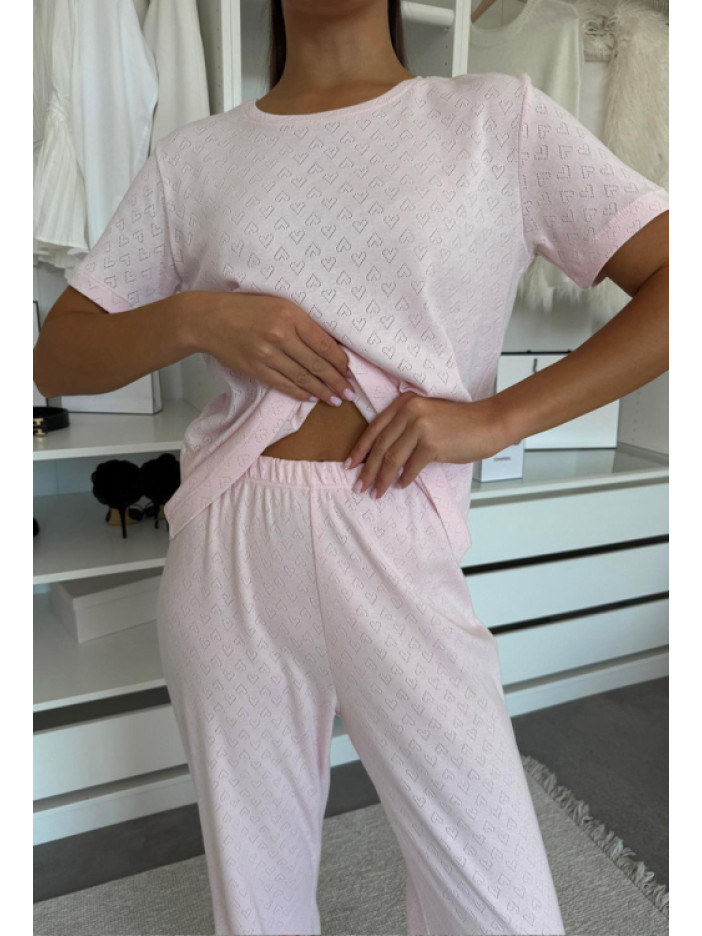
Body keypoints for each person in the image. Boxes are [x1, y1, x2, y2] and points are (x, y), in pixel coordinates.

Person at [33, 1, 669, 933]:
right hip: (229, 545)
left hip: (397, 530)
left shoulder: (497, 119)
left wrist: (496, 420)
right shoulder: (194, 157)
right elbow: (59, 353)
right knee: (257, 897)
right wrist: (199, 317)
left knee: (504, 908)